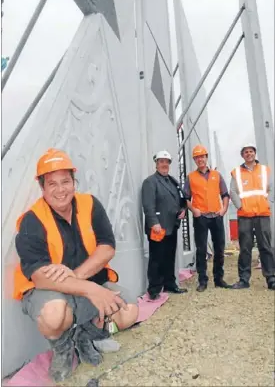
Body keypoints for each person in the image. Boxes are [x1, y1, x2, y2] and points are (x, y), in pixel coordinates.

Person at [14, 148, 139, 382]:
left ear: (74, 182)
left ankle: (85, 334)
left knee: (129, 312)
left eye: (66, 181)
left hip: (84, 284)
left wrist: (78, 276)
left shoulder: (90, 204)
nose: (61, 190)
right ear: (42, 188)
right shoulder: (32, 220)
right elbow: (40, 276)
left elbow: (107, 246)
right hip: (49, 293)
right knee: (53, 316)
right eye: (52, 184)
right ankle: (62, 348)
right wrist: (91, 289)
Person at [183, 145, 231, 292]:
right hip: (201, 217)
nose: (200, 159)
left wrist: (223, 210)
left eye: (202, 156)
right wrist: (194, 210)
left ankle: (219, 279)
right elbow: (185, 198)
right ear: (194, 160)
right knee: (201, 249)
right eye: (197, 157)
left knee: (219, 248)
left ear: (206, 157)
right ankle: (202, 281)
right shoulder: (190, 177)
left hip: (216, 216)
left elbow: (225, 195)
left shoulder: (217, 175)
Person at [141, 150, 188, 300]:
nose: (164, 164)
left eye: (166, 162)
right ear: (156, 164)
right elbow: (148, 206)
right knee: (156, 259)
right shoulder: (150, 182)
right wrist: (154, 223)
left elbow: (181, 200)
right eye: (161, 161)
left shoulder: (173, 181)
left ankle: (170, 284)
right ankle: (154, 289)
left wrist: (183, 210)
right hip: (158, 228)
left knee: (169, 257)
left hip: (172, 226)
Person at [230, 144, 275, 290]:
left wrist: (268, 203)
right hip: (245, 215)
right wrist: (240, 206)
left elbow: (271, 188)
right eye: (245, 152)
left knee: (266, 247)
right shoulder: (236, 172)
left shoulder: (264, 170)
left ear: (255, 154)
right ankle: (244, 279)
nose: (248, 154)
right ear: (242, 156)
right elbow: (233, 191)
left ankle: (271, 278)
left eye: (251, 151)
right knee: (245, 248)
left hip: (262, 213)